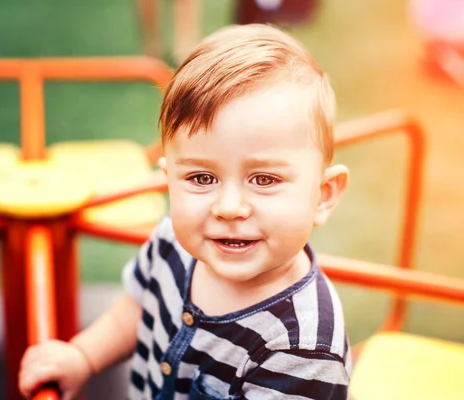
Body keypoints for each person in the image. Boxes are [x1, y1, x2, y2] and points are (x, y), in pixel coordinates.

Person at [19, 23, 351, 400]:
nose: (228, 208)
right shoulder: (171, 243)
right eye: (201, 177)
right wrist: (83, 357)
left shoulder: (301, 350)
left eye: (263, 179)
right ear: (169, 180)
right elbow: (137, 307)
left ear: (322, 195)